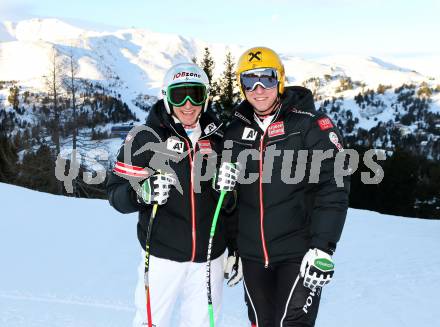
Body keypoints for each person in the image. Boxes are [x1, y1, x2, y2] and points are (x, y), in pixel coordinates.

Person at [216, 47, 350, 326]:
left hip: (299, 253)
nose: (258, 89)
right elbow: (232, 199)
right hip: (253, 256)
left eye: (266, 78)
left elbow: (333, 186)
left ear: (281, 79)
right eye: (249, 81)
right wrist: (235, 247)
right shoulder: (235, 132)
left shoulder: (310, 125)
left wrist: (323, 246)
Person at [106, 63, 241, 327]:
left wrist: (234, 247)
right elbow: (114, 195)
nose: (188, 104)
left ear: (206, 97)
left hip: (209, 258)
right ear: (166, 97)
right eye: (180, 95)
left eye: (196, 94)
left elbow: (233, 205)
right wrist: (141, 193)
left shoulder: (221, 139)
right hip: (161, 257)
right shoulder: (144, 138)